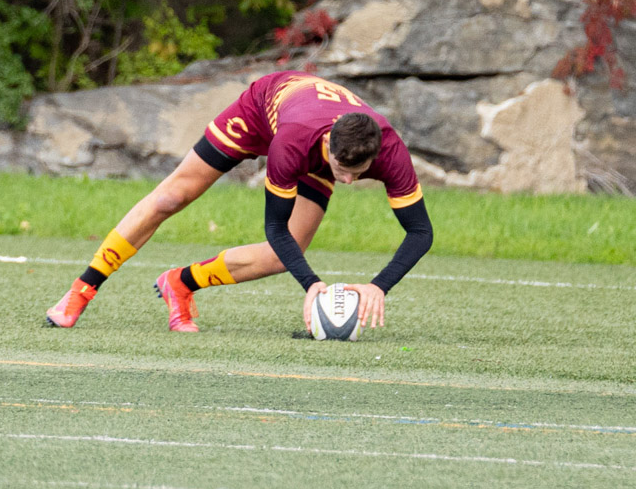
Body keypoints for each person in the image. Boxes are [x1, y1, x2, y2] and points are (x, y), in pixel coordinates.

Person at [44, 70, 433, 334]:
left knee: (284, 255)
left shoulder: (390, 150)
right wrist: (311, 285)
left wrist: (379, 286)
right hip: (263, 112)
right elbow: (274, 227)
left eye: (358, 173)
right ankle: (81, 289)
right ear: (329, 143)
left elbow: (420, 232)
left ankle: (180, 283)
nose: (347, 181)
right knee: (172, 195)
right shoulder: (293, 142)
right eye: (341, 171)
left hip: (312, 132)